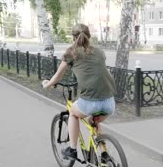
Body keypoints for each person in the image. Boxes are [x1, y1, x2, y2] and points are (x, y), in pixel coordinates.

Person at [42, 24, 116, 160]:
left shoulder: (71, 52)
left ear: (73, 37)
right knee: (94, 121)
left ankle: (72, 150)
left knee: (73, 114)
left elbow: (58, 75)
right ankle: (104, 154)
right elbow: (96, 71)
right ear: (89, 36)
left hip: (90, 103)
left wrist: (48, 85)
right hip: (109, 102)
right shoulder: (99, 51)